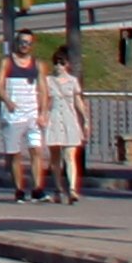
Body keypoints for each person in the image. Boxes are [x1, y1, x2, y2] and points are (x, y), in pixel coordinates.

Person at [0, 39, 45, 202]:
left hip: (32, 114)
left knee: (36, 150)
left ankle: (38, 189)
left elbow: (43, 89)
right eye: (22, 42)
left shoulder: (37, 64)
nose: (25, 45)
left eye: (28, 43)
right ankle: (19, 189)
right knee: (15, 154)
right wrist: (8, 101)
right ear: (16, 43)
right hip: (14, 115)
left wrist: (43, 112)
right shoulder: (6, 62)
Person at [42, 47, 91, 203]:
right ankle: (57, 188)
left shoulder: (72, 81)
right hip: (54, 119)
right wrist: (42, 116)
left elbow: (78, 101)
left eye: (61, 63)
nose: (58, 66)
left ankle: (72, 189)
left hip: (69, 120)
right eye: (56, 63)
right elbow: (45, 102)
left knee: (70, 155)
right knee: (55, 157)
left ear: (67, 65)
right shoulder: (47, 81)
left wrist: (86, 120)